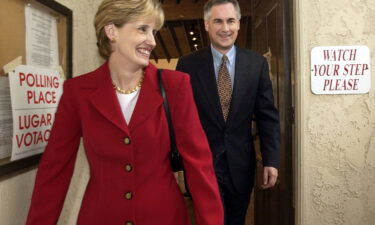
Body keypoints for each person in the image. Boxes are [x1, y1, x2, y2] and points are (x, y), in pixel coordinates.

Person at [25, 0, 224, 224]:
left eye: (154, 31)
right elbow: (54, 171)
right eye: (142, 29)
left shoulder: (175, 85)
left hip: (164, 216)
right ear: (112, 31)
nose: (152, 41)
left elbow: (200, 167)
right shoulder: (77, 92)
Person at [176, 0, 280, 224]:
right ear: (206, 25)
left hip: (241, 166)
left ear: (239, 24)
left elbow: (267, 116)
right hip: (201, 167)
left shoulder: (256, 64)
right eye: (218, 21)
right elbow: (179, 120)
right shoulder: (187, 65)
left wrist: (271, 160)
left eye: (231, 20)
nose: (225, 28)